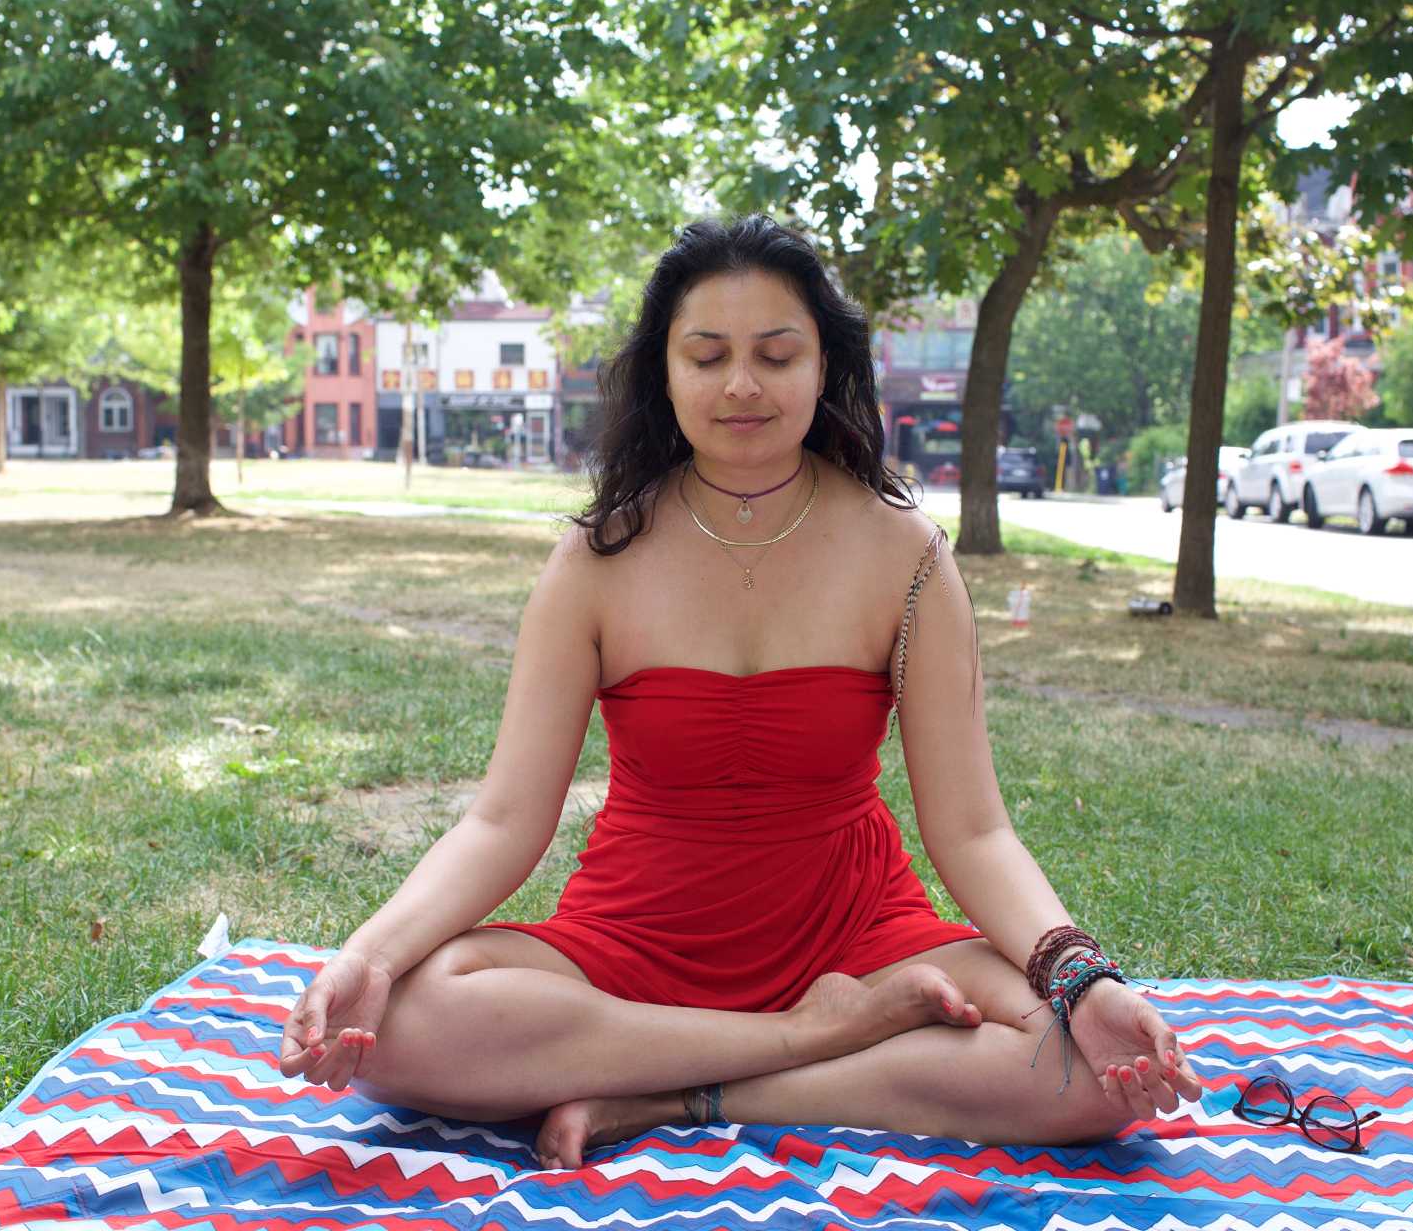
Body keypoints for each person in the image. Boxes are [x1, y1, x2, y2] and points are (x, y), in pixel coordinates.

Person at [276, 215, 1204, 1169]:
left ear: (824, 365)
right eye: (708, 355)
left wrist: (1082, 979)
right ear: (665, 372)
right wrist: (369, 957)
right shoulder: (596, 558)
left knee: (1091, 1069)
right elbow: (503, 821)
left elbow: (974, 833)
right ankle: (813, 1039)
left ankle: (681, 1093)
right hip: (634, 938)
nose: (743, 385)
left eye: (776, 354)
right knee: (397, 1028)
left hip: (859, 933)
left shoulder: (908, 554)